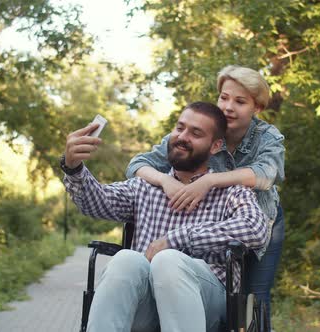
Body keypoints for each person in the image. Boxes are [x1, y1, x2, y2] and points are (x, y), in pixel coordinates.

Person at [61, 102, 269, 332]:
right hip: (146, 304)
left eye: (196, 133)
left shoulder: (230, 191)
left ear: (215, 146)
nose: (183, 136)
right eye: (180, 128)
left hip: (206, 303)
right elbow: (95, 202)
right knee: (126, 259)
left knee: (169, 260)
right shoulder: (145, 187)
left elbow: (256, 228)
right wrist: (73, 167)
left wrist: (177, 239)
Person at [126, 65, 285, 330]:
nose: (228, 107)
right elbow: (137, 164)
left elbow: (265, 174)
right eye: (224, 97)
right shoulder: (198, 129)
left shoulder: (267, 136)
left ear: (256, 108)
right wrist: (165, 180)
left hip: (260, 224)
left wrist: (210, 180)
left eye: (240, 101)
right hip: (213, 223)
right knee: (210, 290)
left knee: (254, 299)